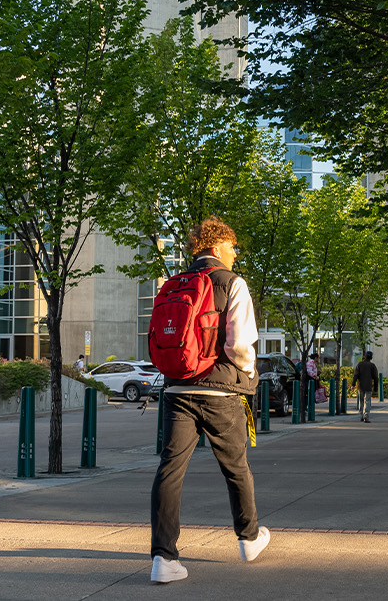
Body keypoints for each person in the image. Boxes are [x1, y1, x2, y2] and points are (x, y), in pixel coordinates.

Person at [149, 216, 269, 584]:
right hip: (220, 391)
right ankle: (248, 538)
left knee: (170, 469)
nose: (236, 253)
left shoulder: (173, 284)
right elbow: (239, 343)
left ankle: (163, 559)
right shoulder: (232, 283)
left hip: (176, 388)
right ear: (216, 248)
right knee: (236, 467)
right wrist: (248, 373)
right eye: (232, 246)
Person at [355, 350, 379, 423]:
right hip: (368, 386)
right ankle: (366, 416)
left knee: (361, 401)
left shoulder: (359, 364)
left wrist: (353, 384)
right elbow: (375, 377)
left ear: (364, 356)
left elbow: (356, 375)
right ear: (371, 357)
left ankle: (361, 415)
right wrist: (375, 387)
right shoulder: (372, 366)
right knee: (367, 401)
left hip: (360, 386)